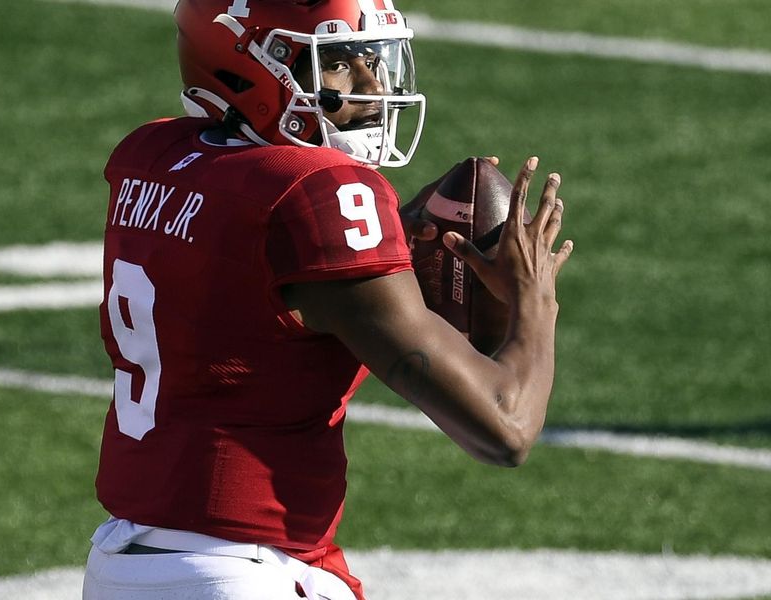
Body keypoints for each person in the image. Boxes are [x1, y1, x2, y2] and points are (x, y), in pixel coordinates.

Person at [83, 0, 573, 598]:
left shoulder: (152, 156)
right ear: (244, 67)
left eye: (373, 59)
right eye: (338, 62)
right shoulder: (318, 193)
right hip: (241, 570)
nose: (371, 86)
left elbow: (250, 271)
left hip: (124, 561)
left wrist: (388, 236)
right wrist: (536, 300)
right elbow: (504, 428)